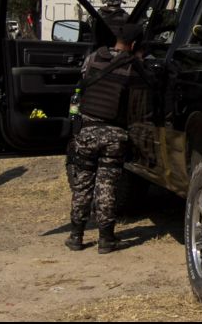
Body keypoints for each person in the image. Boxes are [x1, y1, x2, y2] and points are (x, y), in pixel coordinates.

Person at [64, 20, 151, 254]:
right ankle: (105, 239)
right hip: (114, 135)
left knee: (82, 183)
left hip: (86, 131)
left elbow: (80, 85)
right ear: (133, 44)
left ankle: (75, 235)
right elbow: (141, 105)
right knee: (107, 185)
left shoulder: (93, 58)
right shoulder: (134, 68)